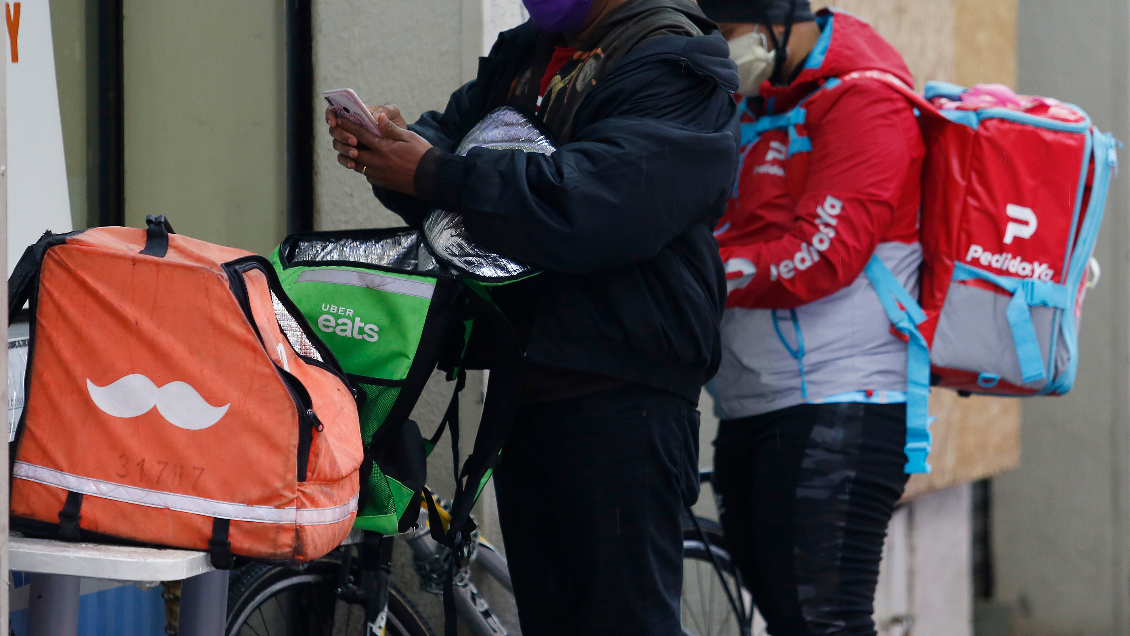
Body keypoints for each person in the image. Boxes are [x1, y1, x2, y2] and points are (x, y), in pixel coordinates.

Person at [324, 0, 740, 633]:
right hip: (526, 380)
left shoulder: (673, 61)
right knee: (548, 616)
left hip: (624, 393)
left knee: (622, 621)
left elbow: (593, 204)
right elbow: (455, 145)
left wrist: (433, 172)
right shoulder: (527, 51)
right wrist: (393, 151)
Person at [698, 0, 926, 634]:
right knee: (787, 619)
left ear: (775, 19)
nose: (716, 50)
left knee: (823, 622)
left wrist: (695, 275)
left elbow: (822, 255)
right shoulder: (753, 99)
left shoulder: (866, 100)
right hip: (753, 399)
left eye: (726, 33)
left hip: (841, 401)